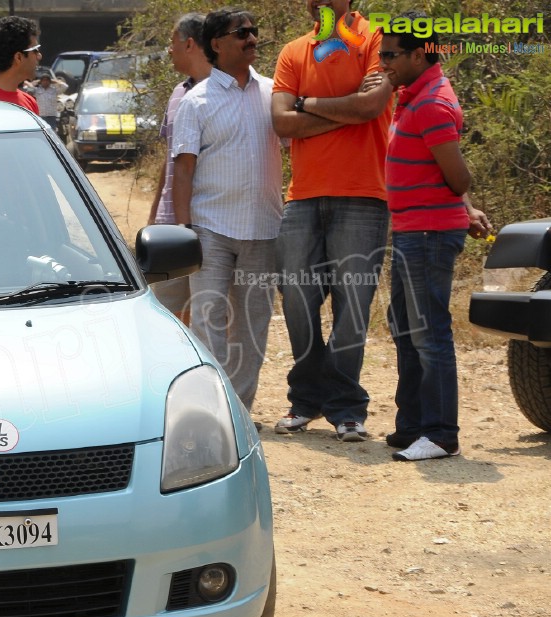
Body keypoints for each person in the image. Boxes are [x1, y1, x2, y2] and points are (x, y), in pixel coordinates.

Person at [271, 0, 393, 442]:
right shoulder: (293, 51)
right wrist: (346, 110)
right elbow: (283, 122)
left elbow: (372, 107)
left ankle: (345, 408)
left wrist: (307, 105)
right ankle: (308, 398)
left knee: (352, 309)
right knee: (298, 304)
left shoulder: (376, 39)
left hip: (364, 194)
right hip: (302, 197)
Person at [379, 13, 491, 461]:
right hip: (411, 231)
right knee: (405, 328)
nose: (383, 62)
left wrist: (463, 206)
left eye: (390, 55)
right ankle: (413, 426)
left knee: (429, 333)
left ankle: (442, 435)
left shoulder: (431, 104)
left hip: (427, 233)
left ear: (419, 53)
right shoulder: (413, 96)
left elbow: (457, 175)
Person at [171, 8, 282, 412]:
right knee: (207, 326)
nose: (252, 38)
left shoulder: (274, 93)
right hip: (210, 231)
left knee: (252, 330)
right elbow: (182, 171)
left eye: (254, 31)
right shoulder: (195, 101)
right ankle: (213, 413)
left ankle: (240, 413)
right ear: (216, 44)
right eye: (242, 33)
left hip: (264, 228)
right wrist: (185, 234)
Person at [147, 12, 211, 320]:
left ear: (189, 44)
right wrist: (154, 218)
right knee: (169, 316)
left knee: (209, 316)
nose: (169, 50)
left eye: (173, 43)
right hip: (169, 227)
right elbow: (170, 158)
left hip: (208, 226)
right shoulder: (177, 93)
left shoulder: (221, 94)